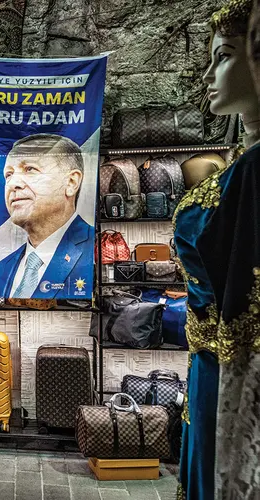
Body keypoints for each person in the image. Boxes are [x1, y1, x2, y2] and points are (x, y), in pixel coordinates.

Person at [174, 1, 260, 498]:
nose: (208, 74)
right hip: (209, 363)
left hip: (237, 367)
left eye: (223, 56)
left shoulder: (251, 174)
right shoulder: (240, 165)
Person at [0, 133, 94, 299]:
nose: (13, 183)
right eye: (8, 174)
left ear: (71, 182)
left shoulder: (96, 251)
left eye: (30, 169)